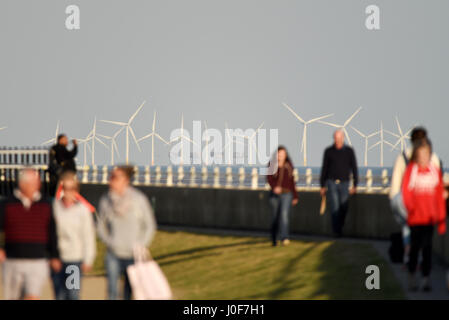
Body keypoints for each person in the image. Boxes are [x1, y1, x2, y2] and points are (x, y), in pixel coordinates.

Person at [0, 168, 61, 300]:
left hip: (38, 260)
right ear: (22, 184)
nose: (37, 185)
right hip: (13, 260)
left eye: (37, 182)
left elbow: (52, 231)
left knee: (33, 296)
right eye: (32, 182)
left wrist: (55, 255)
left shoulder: (46, 205)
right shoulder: (7, 204)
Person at [97, 165, 157, 300]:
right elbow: (101, 225)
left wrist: (141, 244)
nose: (110, 180)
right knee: (112, 290)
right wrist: (109, 241)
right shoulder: (106, 200)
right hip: (113, 253)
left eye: (114, 177)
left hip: (133, 254)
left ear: (125, 180)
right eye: (110, 177)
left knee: (129, 292)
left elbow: (149, 225)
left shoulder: (138, 199)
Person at [389, 127, 443, 264]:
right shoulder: (433, 158)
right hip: (425, 204)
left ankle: (409, 253)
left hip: (404, 200)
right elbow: (438, 183)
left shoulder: (402, 156)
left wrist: (396, 202)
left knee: (408, 226)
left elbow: (395, 186)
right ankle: (419, 259)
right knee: (423, 233)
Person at [402, 139, 446, 291]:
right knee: (415, 249)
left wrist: (441, 220)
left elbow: (439, 196)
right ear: (416, 155)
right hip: (415, 219)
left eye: (426, 154)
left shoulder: (434, 172)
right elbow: (406, 193)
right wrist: (411, 208)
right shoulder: (411, 171)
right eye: (421, 154)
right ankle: (412, 276)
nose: (423, 158)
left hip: (429, 219)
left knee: (427, 249)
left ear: (429, 154)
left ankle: (426, 279)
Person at [51, 171, 96, 300]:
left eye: (72, 189)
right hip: (57, 259)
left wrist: (88, 258)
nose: (69, 192)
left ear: (76, 190)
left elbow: (88, 235)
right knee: (59, 295)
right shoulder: (54, 208)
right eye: (65, 188)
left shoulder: (82, 210)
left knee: (73, 294)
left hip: (74, 260)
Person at [320, 130, 358, 237]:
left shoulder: (349, 151)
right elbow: (324, 168)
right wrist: (322, 185)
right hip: (331, 183)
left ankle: (339, 226)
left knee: (344, 206)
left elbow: (354, 167)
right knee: (335, 206)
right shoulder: (328, 151)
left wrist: (355, 185)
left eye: (339, 138)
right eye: (335, 138)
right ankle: (336, 231)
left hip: (345, 183)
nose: (337, 140)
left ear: (343, 138)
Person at [267, 146, 299, 246]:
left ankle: (284, 237)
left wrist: (295, 196)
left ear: (286, 155)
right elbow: (269, 178)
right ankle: (274, 238)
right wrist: (274, 188)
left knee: (284, 215)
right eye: (279, 154)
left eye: (283, 154)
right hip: (274, 195)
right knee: (275, 217)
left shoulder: (288, 165)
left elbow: (292, 181)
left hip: (287, 194)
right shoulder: (271, 165)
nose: (281, 156)